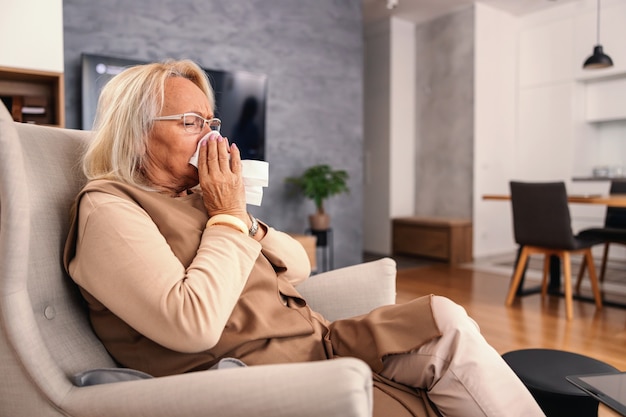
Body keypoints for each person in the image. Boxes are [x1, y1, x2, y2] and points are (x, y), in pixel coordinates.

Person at [63, 59, 544, 417]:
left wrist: (240, 219)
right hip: (268, 381)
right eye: (191, 124)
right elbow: (192, 325)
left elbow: (298, 265)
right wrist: (228, 215)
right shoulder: (110, 208)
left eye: (211, 124)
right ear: (135, 131)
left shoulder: (197, 198)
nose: (210, 139)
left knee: (444, 318)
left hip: (322, 344)